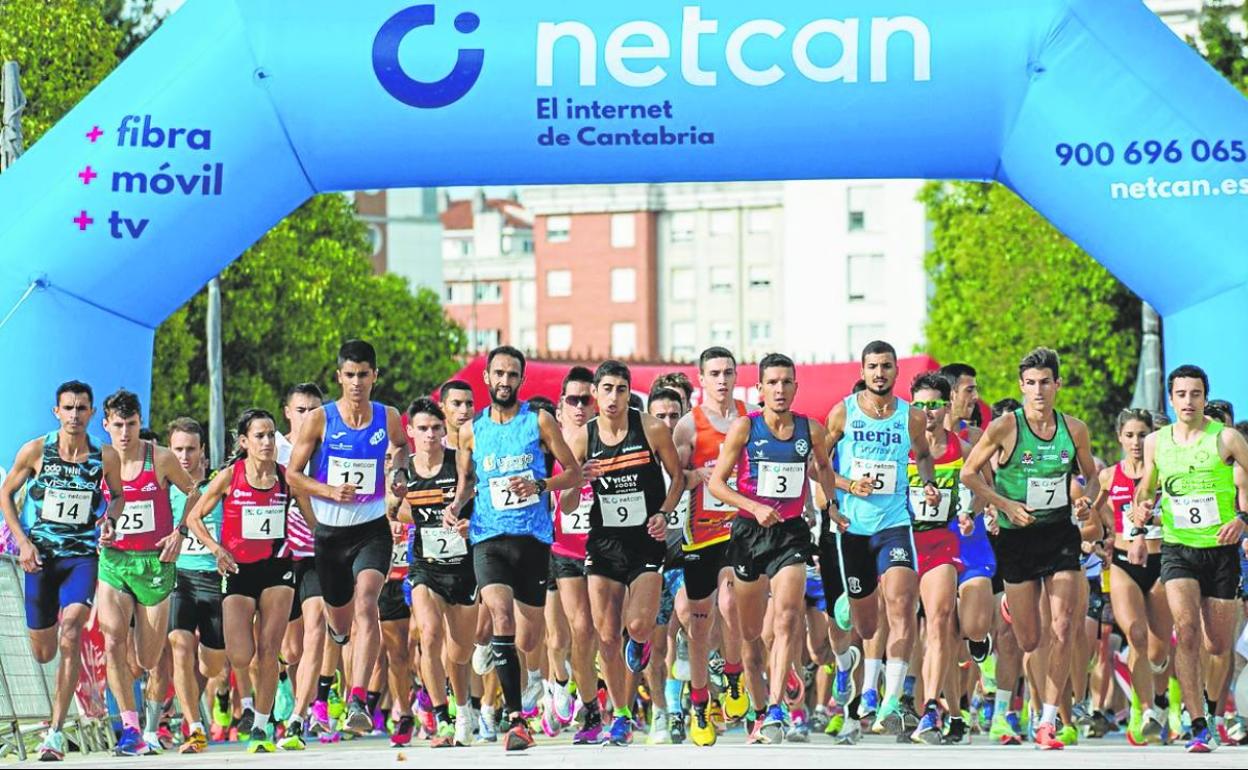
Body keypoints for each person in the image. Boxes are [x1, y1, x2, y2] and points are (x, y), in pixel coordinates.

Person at [960, 348, 1101, 751]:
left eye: (1046, 382)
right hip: (1016, 538)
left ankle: (1047, 720)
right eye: (1031, 383)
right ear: (1022, 387)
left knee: (1064, 626)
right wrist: (1005, 505)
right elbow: (970, 474)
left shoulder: (1074, 429)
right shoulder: (1006, 427)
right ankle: (1012, 608)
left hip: (1058, 534)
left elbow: (1093, 477)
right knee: (1028, 639)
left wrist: (1085, 501)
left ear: (1057, 385)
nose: (1038, 391)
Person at [444, 345, 583, 751]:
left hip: (533, 538)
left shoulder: (538, 421)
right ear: (486, 378)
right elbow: (466, 482)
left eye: (512, 375)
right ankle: (516, 719)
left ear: (521, 380)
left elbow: (572, 471)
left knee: (529, 635)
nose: (504, 381)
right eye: (498, 374)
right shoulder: (469, 431)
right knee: (501, 616)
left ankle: (530, 676)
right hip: (487, 536)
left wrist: (539, 485)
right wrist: (454, 508)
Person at [709, 353, 846, 745]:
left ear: (795, 387)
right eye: (773, 383)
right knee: (751, 634)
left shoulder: (811, 430)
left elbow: (823, 470)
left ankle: (774, 711)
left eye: (787, 382)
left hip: (791, 534)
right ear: (760, 388)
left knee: (787, 617)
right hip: (751, 534)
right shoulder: (744, 428)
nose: (780, 389)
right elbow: (718, 483)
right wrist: (753, 507)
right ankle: (759, 703)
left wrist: (832, 506)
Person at [287, 340, 411, 735]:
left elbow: (403, 448)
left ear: (375, 376)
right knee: (338, 623)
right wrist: (328, 491)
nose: (357, 382)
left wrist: (399, 473)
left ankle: (357, 697)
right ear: (339, 377)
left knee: (367, 602)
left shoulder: (388, 417)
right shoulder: (320, 420)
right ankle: (338, 655)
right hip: (330, 535)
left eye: (364, 375)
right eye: (350, 375)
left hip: (372, 530)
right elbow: (292, 475)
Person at [0, 381, 125, 761]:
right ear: (57, 412)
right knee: (43, 650)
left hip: (81, 557)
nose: (74, 415)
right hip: (41, 557)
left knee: (72, 630)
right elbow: (5, 494)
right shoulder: (37, 450)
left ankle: (54, 733)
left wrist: (110, 520)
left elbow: (117, 495)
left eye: (81, 408)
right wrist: (21, 541)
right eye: (67, 408)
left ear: (91, 414)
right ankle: (52, 703)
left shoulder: (104, 457)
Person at [564, 361, 685, 746]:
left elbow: (678, 476)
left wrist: (664, 513)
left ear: (629, 392)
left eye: (620, 389)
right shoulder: (584, 437)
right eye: (606, 389)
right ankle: (620, 715)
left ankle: (642, 642)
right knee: (605, 634)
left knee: (638, 626)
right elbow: (566, 502)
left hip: (645, 539)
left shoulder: (649, 427)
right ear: (596, 393)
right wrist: (578, 479)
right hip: (604, 542)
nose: (613, 397)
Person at [826, 342, 939, 737]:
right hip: (855, 528)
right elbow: (817, 463)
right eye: (873, 367)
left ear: (895, 372)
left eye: (886, 367)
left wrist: (927, 483)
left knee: (903, 604)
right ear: (863, 369)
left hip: (894, 523)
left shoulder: (909, 417)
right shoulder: (844, 411)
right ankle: (847, 604)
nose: (879, 373)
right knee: (866, 624)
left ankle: (888, 699)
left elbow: (923, 455)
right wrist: (843, 487)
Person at [1134, 365, 1248, 753]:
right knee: (1185, 630)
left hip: (1220, 550)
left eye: (1195, 394)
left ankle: (1214, 713)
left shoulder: (1227, 438)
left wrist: (1242, 520)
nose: (1188, 401)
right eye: (1181, 394)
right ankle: (1197, 722)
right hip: (1177, 548)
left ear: (1204, 397)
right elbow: (1146, 486)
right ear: (1171, 398)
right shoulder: (1155, 442)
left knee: (1217, 645)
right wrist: (1142, 506)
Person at [186, 409, 307, 752]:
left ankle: (260, 725)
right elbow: (195, 518)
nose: (268, 442)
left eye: (271, 435)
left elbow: (314, 522)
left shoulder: (287, 478)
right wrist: (216, 549)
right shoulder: (229, 476)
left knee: (269, 648)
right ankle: (265, 682)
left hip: (277, 569)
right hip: (238, 571)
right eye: (260, 436)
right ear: (244, 442)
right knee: (241, 656)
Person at [97, 389, 200, 756]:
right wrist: (99, 528)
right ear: (106, 424)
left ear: (141, 422)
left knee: (146, 659)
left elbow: (195, 493)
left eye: (132, 424)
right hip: (115, 562)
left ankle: (154, 723)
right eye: (119, 425)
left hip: (154, 564)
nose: (125, 433)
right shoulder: (98, 462)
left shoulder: (160, 459)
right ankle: (130, 728)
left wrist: (180, 533)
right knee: (112, 641)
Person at [670, 347, 751, 746]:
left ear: (737, 376)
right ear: (701, 379)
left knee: (732, 602)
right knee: (699, 627)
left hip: (739, 529)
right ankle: (700, 703)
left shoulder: (751, 416)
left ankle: (734, 677)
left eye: (728, 372)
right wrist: (697, 475)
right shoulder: (688, 426)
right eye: (714, 373)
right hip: (700, 532)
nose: (722, 380)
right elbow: (674, 479)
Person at [390, 398, 478, 748]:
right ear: (410, 432)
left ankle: (463, 709)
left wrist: (469, 524)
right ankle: (441, 718)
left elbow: (479, 500)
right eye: (423, 429)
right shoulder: (405, 471)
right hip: (425, 567)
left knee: (459, 653)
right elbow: (395, 511)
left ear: (445, 431)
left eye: (436, 429)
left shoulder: (458, 463)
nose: (430, 435)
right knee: (428, 636)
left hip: (463, 568)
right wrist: (399, 506)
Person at [904, 373, 975, 743]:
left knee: (941, 622)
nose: (928, 412)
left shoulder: (960, 449)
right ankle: (901, 700)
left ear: (946, 407)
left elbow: (972, 492)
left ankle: (932, 709)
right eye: (920, 405)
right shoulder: (899, 447)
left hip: (940, 544)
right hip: (901, 545)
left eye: (935, 405)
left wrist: (968, 514)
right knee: (905, 630)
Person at [273, 383, 331, 744]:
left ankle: (299, 716)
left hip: (315, 553)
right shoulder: (272, 447)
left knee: (317, 629)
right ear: (287, 412)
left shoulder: (327, 451)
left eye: (314, 410)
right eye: (301, 410)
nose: (308, 416)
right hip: (279, 555)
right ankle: (281, 678)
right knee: (289, 649)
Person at [164, 418, 226, 754]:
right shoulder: (165, 489)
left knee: (212, 665)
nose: (185, 457)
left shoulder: (219, 487)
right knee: (180, 645)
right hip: (180, 579)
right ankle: (195, 727)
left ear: (203, 451)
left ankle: (196, 695)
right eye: (178, 450)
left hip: (215, 581)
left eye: (191, 449)